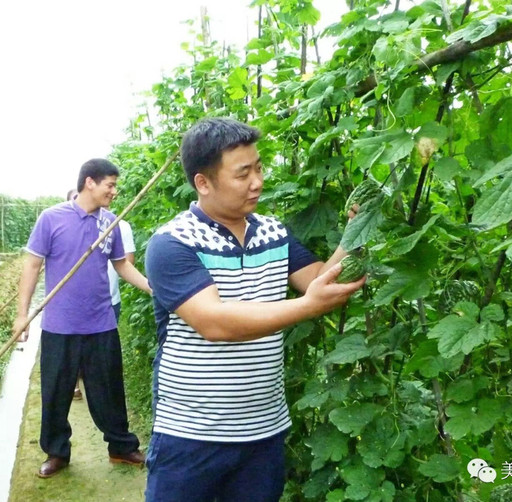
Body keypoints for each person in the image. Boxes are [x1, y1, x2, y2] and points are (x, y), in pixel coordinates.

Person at [144, 117, 366, 502]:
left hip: (263, 433)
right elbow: (214, 322)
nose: (257, 182)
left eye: (259, 168)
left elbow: (321, 279)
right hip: (190, 436)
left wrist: (357, 231)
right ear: (203, 182)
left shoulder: (274, 233)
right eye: (243, 173)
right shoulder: (171, 243)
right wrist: (307, 306)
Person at [12, 159, 151, 478]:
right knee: (57, 390)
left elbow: (122, 265)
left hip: (101, 321)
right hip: (60, 325)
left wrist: (151, 287)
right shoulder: (52, 218)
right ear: (90, 182)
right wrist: (23, 316)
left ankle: (121, 447)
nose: (114, 191)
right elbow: (32, 266)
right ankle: (57, 451)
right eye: (110, 185)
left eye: (115, 186)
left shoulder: (110, 223)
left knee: (109, 389)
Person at [66, 188, 137, 401]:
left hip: (108, 301)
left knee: (99, 352)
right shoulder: (68, 224)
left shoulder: (119, 225)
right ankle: (75, 385)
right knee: (74, 347)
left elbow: (126, 262)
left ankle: (96, 389)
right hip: (75, 302)